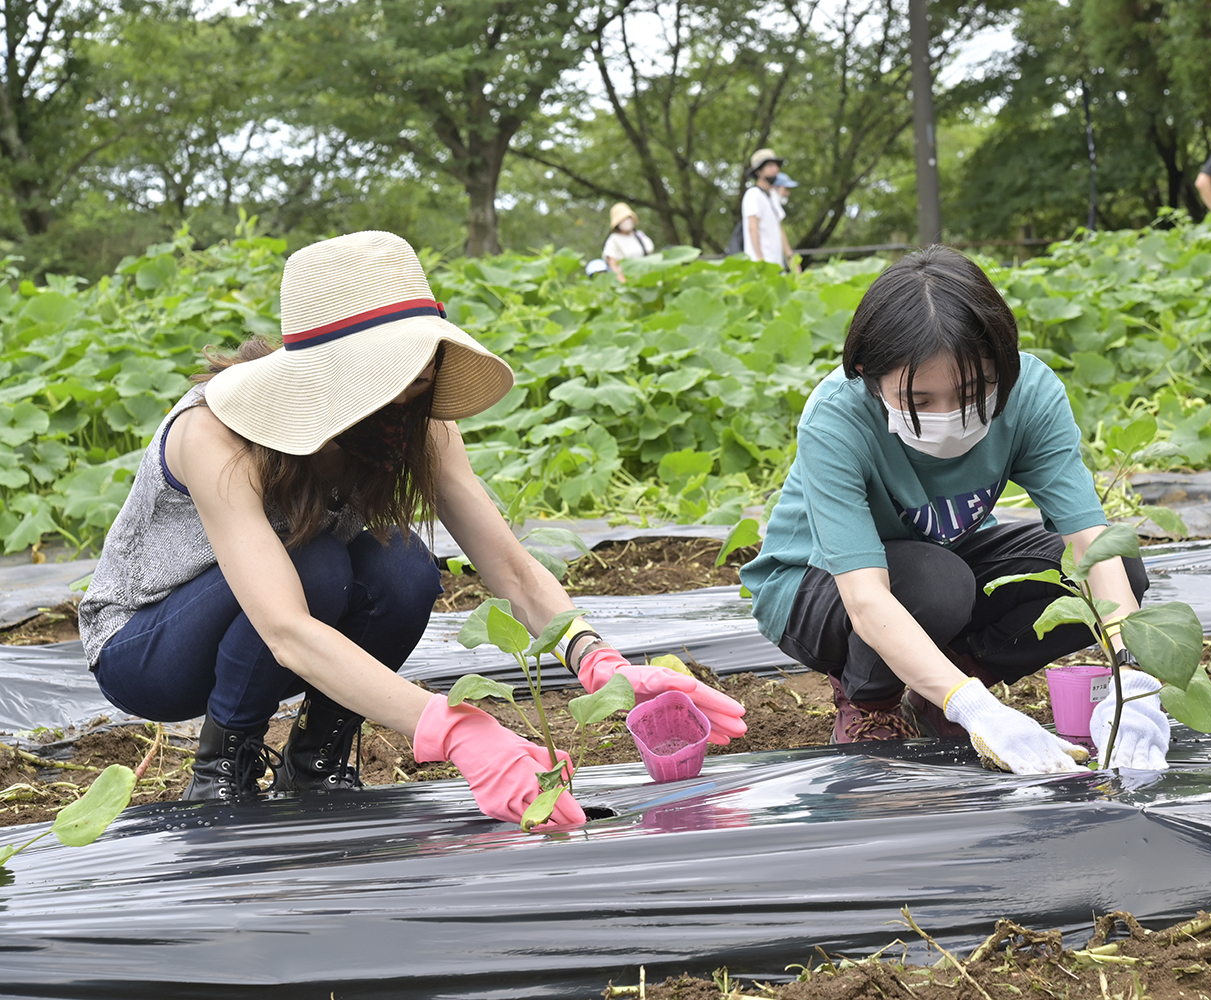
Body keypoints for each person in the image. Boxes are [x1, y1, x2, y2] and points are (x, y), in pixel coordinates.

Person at [77, 231, 746, 824]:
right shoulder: (217, 436)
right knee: (317, 566)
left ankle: (316, 760)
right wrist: (453, 730)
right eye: (395, 374)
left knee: (404, 570)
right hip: (147, 648)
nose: (416, 391)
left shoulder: (420, 427)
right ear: (331, 377)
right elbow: (284, 628)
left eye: (424, 369)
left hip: (278, 620)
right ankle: (221, 772)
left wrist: (605, 666)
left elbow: (510, 568)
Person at [740, 246, 1167, 774]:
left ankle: (939, 689)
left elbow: (1092, 545)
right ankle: (871, 702)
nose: (950, 415)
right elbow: (866, 597)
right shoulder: (837, 417)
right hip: (815, 587)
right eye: (918, 399)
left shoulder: (1029, 395)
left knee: (1115, 565)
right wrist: (979, 711)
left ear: (1004, 366)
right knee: (934, 583)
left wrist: (1133, 679)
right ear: (865, 373)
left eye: (973, 389)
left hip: (944, 557)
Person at [741, 148, 799, 273]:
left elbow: (779, 227)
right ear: (759, 172)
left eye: (776, 166)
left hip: (776, 262)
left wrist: (790, 257)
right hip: (760, 264)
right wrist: (760, 259)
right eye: (770, 166)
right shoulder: (753, 194)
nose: (775, 170)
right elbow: (753, 229)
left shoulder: (773, 195)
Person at [602, 202, 654, 283]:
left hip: (646, 276)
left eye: (628, 218)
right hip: (628, 279)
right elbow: (613, 264)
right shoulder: (613, 240)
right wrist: (624, 283)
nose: (627, 221)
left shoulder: (639, 235)